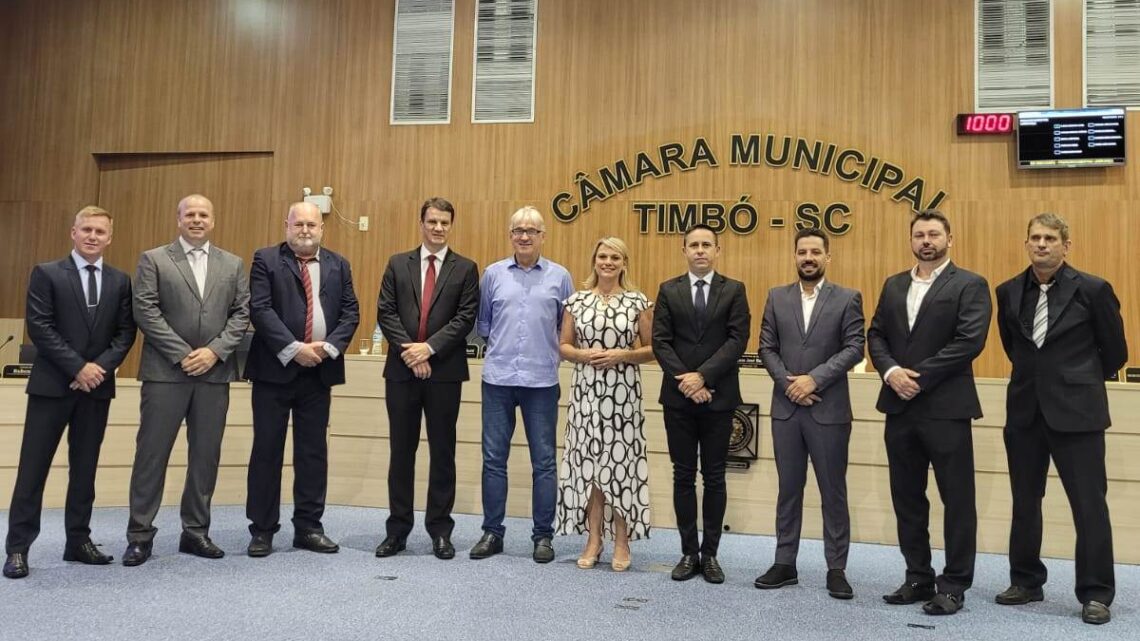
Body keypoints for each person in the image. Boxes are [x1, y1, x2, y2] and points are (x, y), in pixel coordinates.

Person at [993, 213, 1127, 625]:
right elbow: (1014, 348)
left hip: (1078, 415)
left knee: (1088, 506)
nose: (1042, 244)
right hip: (1025, 413)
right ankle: (1027, 581)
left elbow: (1115, 353)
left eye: (1050, 238)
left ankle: (1096, 592)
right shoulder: (1009, 290)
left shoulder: (1094, 289)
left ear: (1066, 245)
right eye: (1034, 237)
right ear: (1026, 243)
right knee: (1024, 502)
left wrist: (1072, 382)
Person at [867, 210, 991, 615]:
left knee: (957, 499)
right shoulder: (894, 284)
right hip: (899, 408)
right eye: (919, 234)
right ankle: (918, 576)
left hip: (946, 407)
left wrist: (917, 377)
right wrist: (889, 371)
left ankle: (953, 584)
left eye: (934, 234)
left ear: (949, 239)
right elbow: (877, 335)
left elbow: (969, 341)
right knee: (907, 497)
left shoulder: (970, 284)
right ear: (911, 240)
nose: (926, 241)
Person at [3, 206, 137, 579]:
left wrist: (98, 370)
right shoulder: (47, 273)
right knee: (33, 468)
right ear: (73, 233)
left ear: (110, 237)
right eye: (86, 230)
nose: (93, 236)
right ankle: (18, 547)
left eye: (100, 231)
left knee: (84, 469)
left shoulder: (120, 280)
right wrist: (78, 367)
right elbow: (40, 327)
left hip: (95, 390)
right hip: (52, 387)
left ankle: (78, 541)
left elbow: (125, 333)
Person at [123, 194, 250, 566]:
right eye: (189, 214)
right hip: (166, 374)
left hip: (214, 374)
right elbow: (144, 309)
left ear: (213, 220)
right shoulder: (155, 259)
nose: (196, 220)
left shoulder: (233, 264)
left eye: (203, 214)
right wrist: (183, 353)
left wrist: (213, 352)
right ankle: (140, 535)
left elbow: (241, 314)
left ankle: (196, 531)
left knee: (205, 456)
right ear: (178, 219)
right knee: (152, 455)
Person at [243, 202, 360, 557]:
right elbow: (260, 309)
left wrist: (328, 348)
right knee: (267, 450)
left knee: (312, 453)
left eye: (312, 224)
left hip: (318, 372)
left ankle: (308, 527)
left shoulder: (339, 264)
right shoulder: (265, 259)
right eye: (299, 224)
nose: (305, 230)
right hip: (273, 372)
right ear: (286, 226)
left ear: (322, 228)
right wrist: (294, 348)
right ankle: (262, 530)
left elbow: (351, 312)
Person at [755, 228, 864, 598]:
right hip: (786, 409)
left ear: (827, 257)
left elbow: (854, 348)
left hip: (828, 409)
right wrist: (790, 385)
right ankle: (785, 562)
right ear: (795, 256)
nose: (808, 257)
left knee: (833, 491)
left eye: (815, 252)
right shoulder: (776, 297)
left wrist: (813, 381)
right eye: (802, 251)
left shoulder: (848, 298)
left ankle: (836, 568)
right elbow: (766, 347)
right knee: (789, 489)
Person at [375, 197, 478, 561]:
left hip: (444, 372)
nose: (438, 228)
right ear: (421, 223)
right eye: (432, 221)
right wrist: (410, 351)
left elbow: (465, 318)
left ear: (451, 225)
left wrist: (429, 349)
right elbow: (385, 311)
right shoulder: (397, 263)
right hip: (402, 372)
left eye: (444, 223)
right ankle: (397, 531)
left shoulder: (465, 268)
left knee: (442, 453)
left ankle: (440, 531)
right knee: (401, 453)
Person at [470, 206, 573, 563]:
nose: (524, 236)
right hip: (498, 379)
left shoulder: (561, 277)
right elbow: (483, 325)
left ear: (543, 236)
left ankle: (543, 536)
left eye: (531, 230)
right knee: (493, 459)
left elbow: (566, 329)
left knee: (544, 461)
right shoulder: (493, 274)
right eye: (518, 230)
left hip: (542, 381)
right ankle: (492, 532)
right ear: (510, 235)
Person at [652, 223, 751, 584]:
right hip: (678, 399)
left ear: (717, 250)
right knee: (682, 475)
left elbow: (737, 340)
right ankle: (687, 553)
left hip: (719, 398)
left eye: (706, 245)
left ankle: (710, 555)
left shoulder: (734, 290)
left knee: (714, 476)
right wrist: (688, 381)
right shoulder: (668, 289)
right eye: (693, 245)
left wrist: (703, 377)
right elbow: (661, 342)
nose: (700, 250)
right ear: (684, 250)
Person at [556, 237, 655, 572]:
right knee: (591, 469)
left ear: (624, 262)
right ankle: (594, 539)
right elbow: (564, 346)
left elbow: (652, 350)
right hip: (586, 393)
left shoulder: (638, 302)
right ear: (594, 260)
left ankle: (622, 542)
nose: (608, 262)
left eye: (615, 257)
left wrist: (622, 355)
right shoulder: (576, 301)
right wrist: (586, 355)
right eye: (602, 256)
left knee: (621, 466)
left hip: (623, 394)